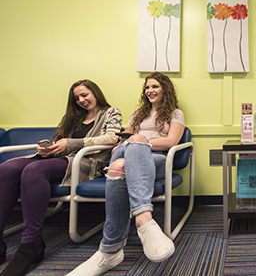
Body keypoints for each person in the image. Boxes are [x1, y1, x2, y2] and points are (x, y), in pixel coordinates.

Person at [0, 80, 122, 276]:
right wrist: (50, 148)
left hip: (86, 162)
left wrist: (71, 144)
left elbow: (111, 138)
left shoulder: (110, 112)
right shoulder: (73, 117)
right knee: (7, 168)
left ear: (95, 93)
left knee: (33, 171)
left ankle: (31, 243)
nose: (81, 100)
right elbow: (60, 141)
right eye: (77, 98)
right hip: (60, 159)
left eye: (85, 95)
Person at [69, 72, 185, 276]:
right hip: (129, 150)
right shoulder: (137, 113)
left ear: (165, 89)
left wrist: (142, 141)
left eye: (155, 86)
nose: (150, 90)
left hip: (156, 158)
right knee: (129, 149)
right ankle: (143, 218)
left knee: (118, 167)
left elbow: (171, 142)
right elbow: (124, 139)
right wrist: (133, 142)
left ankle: (110, 248)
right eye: (147, 87)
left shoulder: (176, 114)